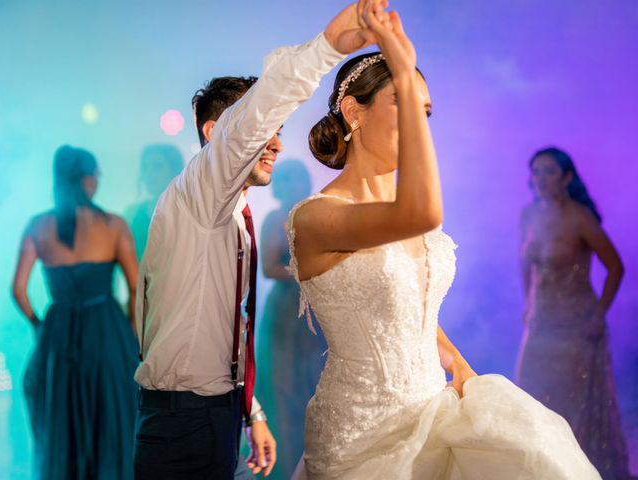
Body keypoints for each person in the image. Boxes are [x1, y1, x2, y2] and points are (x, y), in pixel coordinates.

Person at [287, 3, 600, 478]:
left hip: (434, 409)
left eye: (424, 111)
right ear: (354, 111)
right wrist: (395, 52)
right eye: (405, 103)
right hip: (365, 433)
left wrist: (457, 363)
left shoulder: (405, 217)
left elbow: (411, 311)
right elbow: (420, 211)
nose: (419, 121)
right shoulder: (317, 218)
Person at [132, 2, 377, 478]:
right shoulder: (195, 194)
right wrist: (325, 48)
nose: (279, 144)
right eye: (267, 131)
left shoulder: (234, 217)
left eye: (279, 131)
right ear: (216, 133)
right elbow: (253, 118)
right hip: (181, 424)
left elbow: (221, 337)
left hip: (218, 414)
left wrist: (251, 412)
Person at [12, 145, 138, 479]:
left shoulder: (38, 225)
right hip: (107, 332)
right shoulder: (113, 225)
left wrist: (39, 324)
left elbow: (18, 290)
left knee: (61, 424)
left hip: (59, 334)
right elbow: (138, 289)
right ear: (88, 180)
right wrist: (130, 332)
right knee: (110, 422)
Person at [516, 147, 631, 479]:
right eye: (535, 172)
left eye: (549, 171)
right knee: (530, 394)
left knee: (571, 407)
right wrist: (528, 304)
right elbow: (524, 264)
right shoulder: (528, 215)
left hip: (576, 325)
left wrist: (598, 315)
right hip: (541, 323)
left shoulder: (580, 217)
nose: (540, 179)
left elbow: (615, 268)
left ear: (567, 177)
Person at [256, 160, 327, 479]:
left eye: (299, 180)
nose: (293, 187)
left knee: (313, 388)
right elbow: (269, 268)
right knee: (283, 391)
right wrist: (309, 271)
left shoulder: (320, 215)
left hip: (316, 312)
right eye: (287, 181)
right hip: (285, 314)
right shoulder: (274, 219)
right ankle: (284, 468)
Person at [124, 144, 184, 261]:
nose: (149, 174)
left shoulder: (190, 212)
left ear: (174, 170)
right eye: (145, 167)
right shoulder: (132, 213)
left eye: (157, 166)